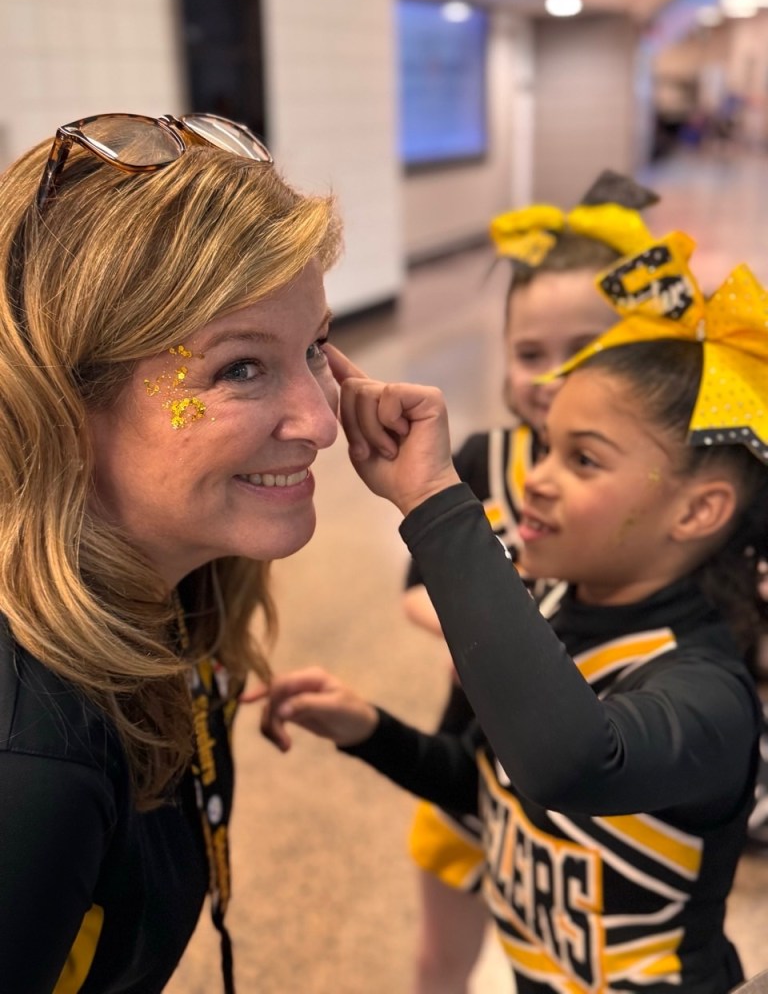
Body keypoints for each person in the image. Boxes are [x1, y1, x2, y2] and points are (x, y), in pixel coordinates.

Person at [262, 230, 768, 994]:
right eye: (549, 448)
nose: (538, 478)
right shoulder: (563, 606)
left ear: (699, 510)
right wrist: (371, 730)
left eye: (584, 458)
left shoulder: (706, 692)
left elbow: (569, 765)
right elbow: (498, 789)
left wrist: (434, 501)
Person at [0, 112, 342, 993]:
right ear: (60, 401)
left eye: (315, 349)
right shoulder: (35, 762)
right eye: (240, 369)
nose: (322, 422)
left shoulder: (177, 594)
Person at [403, 171, 660, 994]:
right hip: (469, 754)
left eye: (585, 348)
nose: (551, 376)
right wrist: (489, 638)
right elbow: (417, 589)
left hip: (593, 773)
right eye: (529, 353)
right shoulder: (479, 463)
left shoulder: (658, 479)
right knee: (441, 948)